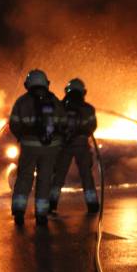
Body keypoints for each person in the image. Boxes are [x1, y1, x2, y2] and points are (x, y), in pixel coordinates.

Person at [9, 69, 66, 226]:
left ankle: (19, 212)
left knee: (25, 178)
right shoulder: (54, 101)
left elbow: (14, 123)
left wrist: (22, 137)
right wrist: (58, 140)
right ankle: (41, 215)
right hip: (50, 148)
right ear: (45, 83)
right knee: (45, 179)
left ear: (28, 84)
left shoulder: (22, 102)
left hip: (29, 147)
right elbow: (64, 123)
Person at [49, 78, 99, 214]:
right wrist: (82, 133)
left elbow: (53, 125)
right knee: (86, 176)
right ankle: (92, 205)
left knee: (58, 176)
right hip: (81, 145)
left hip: (64, 146)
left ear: (67, 91)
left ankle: (51, 205)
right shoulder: (88, 109)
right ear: (83, 92)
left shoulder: (59, 107)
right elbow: (92, 126)